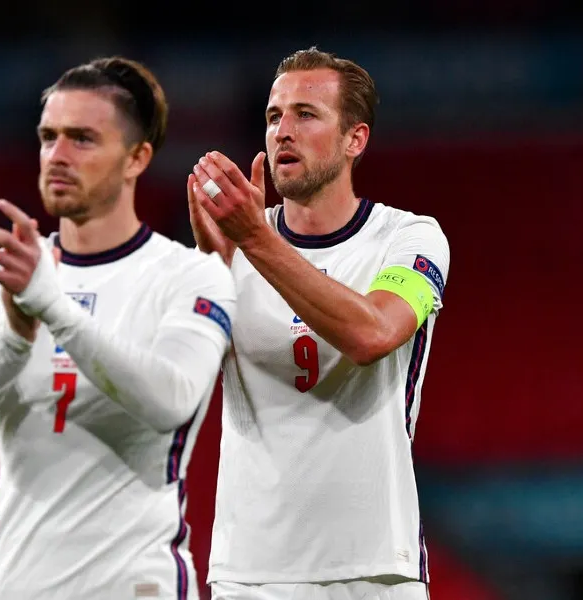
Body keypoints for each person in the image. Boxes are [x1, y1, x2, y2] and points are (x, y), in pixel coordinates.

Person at [0, 56, 236, 600]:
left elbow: (173, 400)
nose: (57, 156)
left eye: (83, 139)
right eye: (49, 137)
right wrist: (13, 339)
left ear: (137, 158)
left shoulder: (191, 275)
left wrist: (54, 308)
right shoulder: (0, 280)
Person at [187, 47, 450, 600]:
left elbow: (372, 334)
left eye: (306, 114)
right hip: (250, 575)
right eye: (273, 116)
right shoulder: (231, 245)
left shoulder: (409, 238)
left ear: (355, 139)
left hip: (377, 571)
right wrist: (209, 273)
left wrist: (256, 242)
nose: (283, 131)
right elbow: (179, 386)